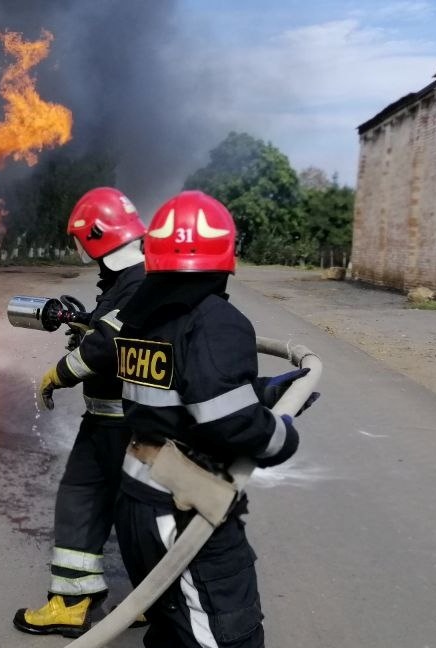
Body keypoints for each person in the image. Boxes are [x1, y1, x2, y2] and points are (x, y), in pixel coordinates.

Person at [112, 191, 307, 647]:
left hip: (138, 501)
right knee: (225, 636)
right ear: (225, 255)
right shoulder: (216, 320)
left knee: (172, 632)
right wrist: (283, 436)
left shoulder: (140, 316)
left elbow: (181, 393)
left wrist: (260, 391)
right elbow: (231, 424)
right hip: (184, 508)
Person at [12, 188, 148, 637]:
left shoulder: (136, 282)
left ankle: (91, 603)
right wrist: (84, 322)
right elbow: (110, 330)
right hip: (118, 422)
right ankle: (91, 600)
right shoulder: (131, 279)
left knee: (105, 506)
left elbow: (107, 346)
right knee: (105, 505)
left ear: (96, 237)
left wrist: (58, 374)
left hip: (121, 423)